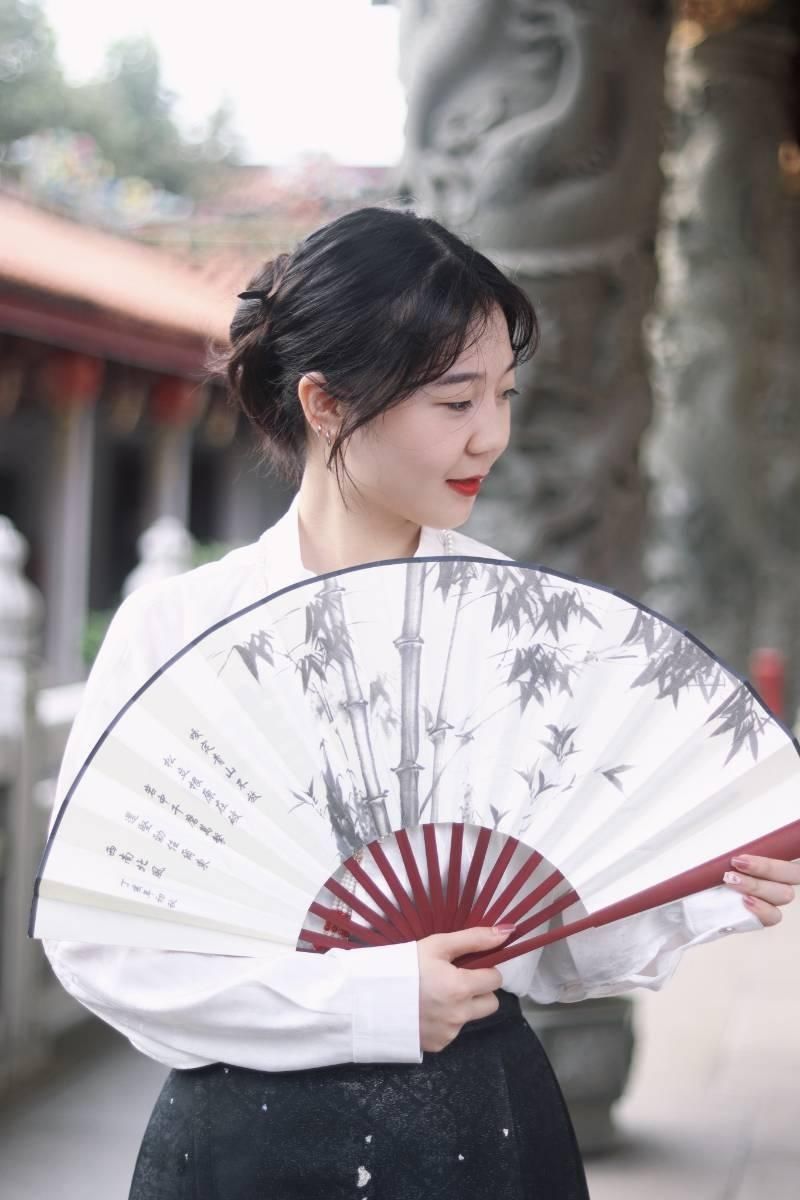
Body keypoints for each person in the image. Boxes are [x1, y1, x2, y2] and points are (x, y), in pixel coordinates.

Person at [43, 207, 799, 1200]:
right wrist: (367, 999)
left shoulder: (520, 628)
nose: (491, 434)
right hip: (245, 1146)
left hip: (484, 1126)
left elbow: (542, 935)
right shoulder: (179, 629)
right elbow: (104, 944)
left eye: (503, 395)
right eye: (454, 401)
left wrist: (698, 890)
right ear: (322, 402)